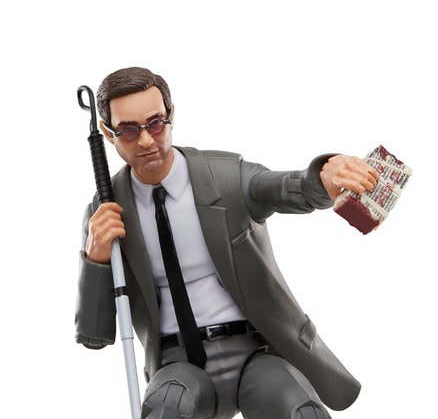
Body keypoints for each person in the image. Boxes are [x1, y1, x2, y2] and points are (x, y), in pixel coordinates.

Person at [76, 67, 379, 419]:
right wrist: (95, 258)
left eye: (155, 123)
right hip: (178, 367)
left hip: (256, 355)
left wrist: (323, 178)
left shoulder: (226, 177)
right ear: (107, 133)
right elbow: (94, 335)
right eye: (128, 130)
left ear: (171, 115)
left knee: (297, 408)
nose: (145, 141)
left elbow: (285, 187)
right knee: (166, 409)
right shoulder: (105, 213)